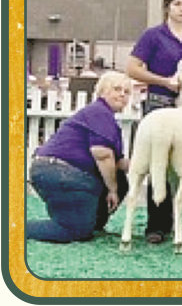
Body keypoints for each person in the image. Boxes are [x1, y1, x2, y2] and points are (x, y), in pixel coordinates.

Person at [126, 0, 182, 244]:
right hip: (160, 102)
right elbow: (132, 68)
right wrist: (163, 81)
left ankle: (177, 221)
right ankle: (156, 226)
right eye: (178, 4)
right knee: (157, 163)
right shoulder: (153, 36)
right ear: (168, 7)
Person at [27, 71, 131, 242]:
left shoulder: (100, 115)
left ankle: (90, 222)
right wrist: (112, 190)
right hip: (63, 173)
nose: (122, 94)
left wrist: (148, 165)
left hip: (55, 171)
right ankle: (14, 227)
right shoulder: (100, 113)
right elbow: (103, 155)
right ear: (102, 92)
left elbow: (117, 163)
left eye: (126, 92)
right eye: (117, 89)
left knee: (119, 178)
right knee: (71, 231)